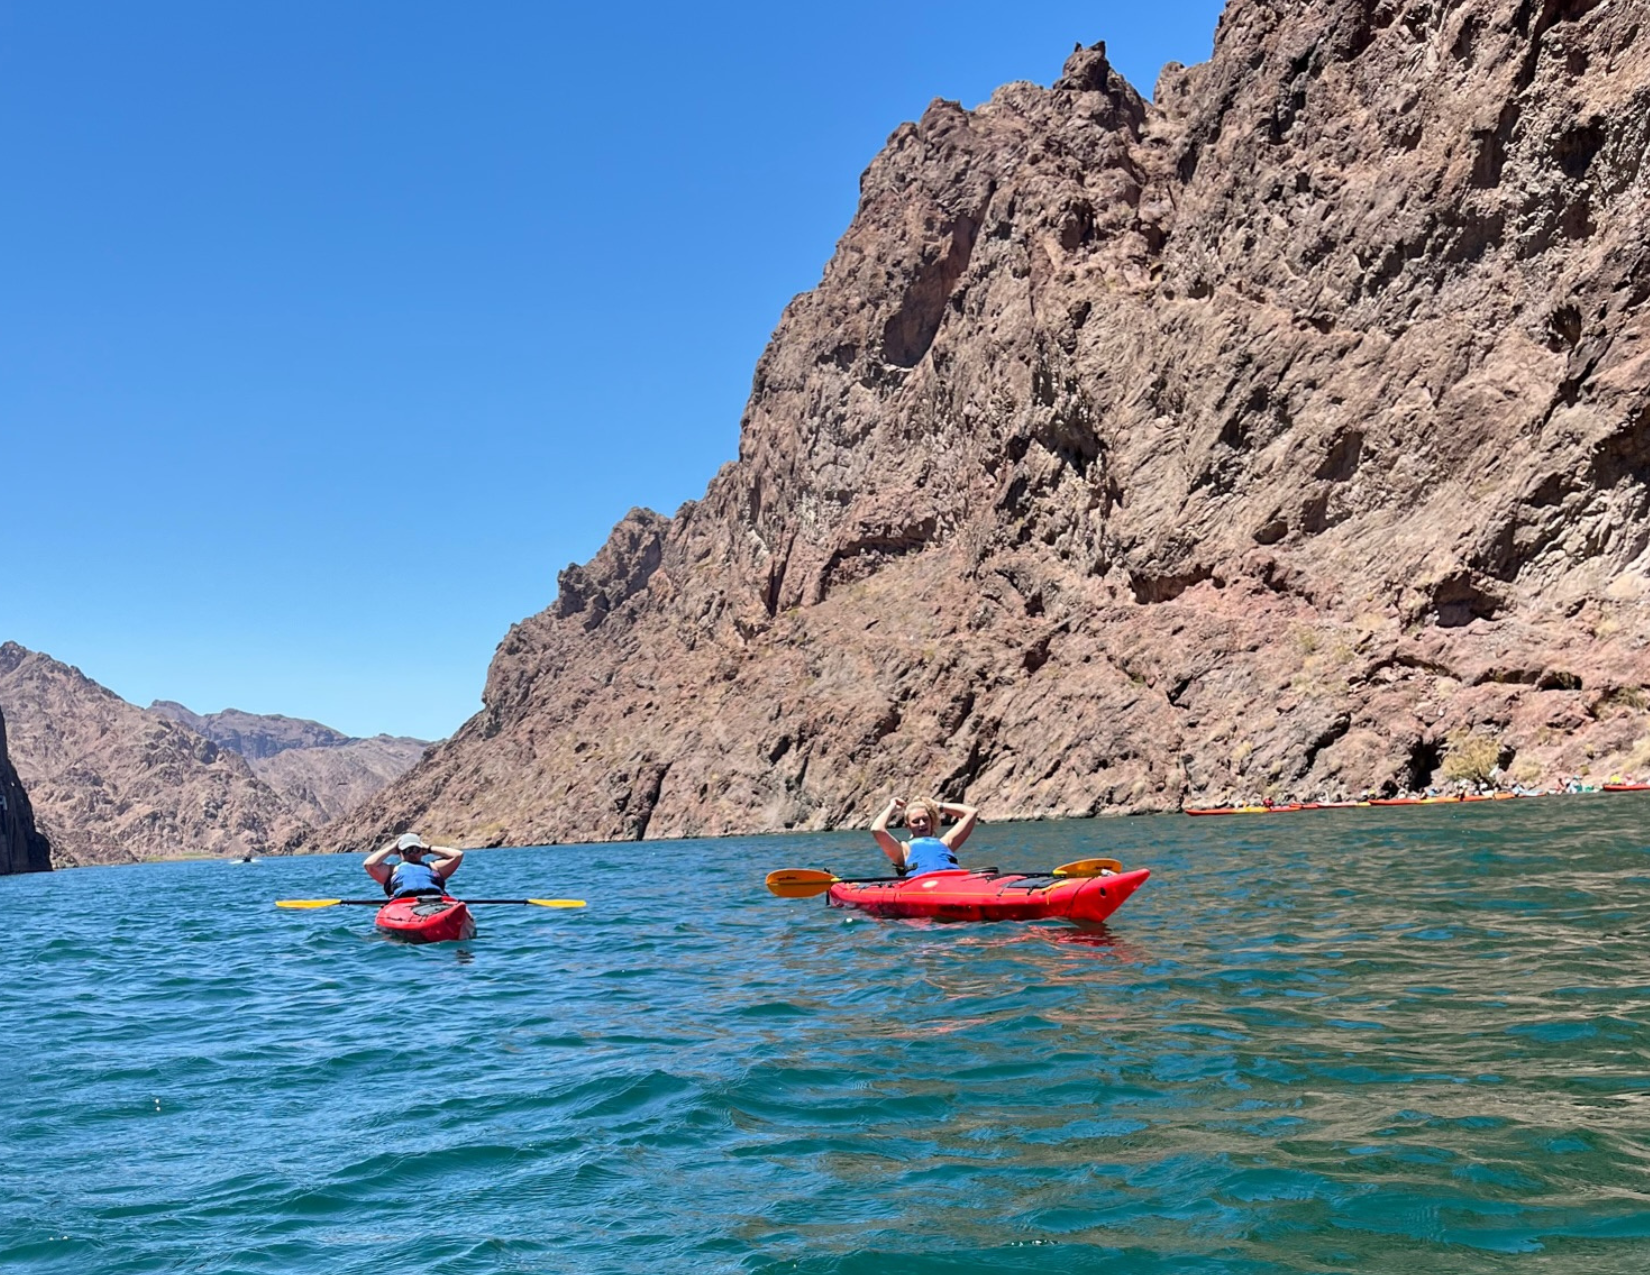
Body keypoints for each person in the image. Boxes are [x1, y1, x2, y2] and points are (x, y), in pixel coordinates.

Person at [871, 796, 979, 877]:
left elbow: (971, 812)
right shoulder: (903, 850)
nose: (922, 824)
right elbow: (877, 829)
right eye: (916, 821)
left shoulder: (946, 843)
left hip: (955, 883)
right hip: (923, 888)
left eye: (925, 819)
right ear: (908, 826)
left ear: (931, 821)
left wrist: (937, 806)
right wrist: (892, 807)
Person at [364, 833, 464, 898]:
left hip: (436, 901)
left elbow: (458, 855)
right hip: (403, 904)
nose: (412, 854)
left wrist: (429, 848)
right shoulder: (392, 870)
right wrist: (391, 849)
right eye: (407, 850)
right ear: (400, 852)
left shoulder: (433, 867)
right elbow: (369, 864)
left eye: (416, 850)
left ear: (422, 851)